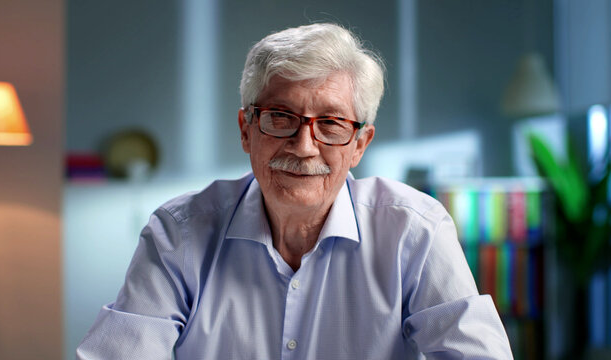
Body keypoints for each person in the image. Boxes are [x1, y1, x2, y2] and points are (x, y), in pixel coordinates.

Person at [77, 23, 513, 359]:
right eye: (281, 117)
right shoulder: (178, 235)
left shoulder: (414, 231)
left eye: (331, 123)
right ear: (246, 130)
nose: (305, 147)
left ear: (360, 144)